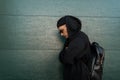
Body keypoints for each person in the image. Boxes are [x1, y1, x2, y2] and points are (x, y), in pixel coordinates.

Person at [57, 15, 92, 80]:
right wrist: (65, 52)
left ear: (69, 26)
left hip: (79, 76)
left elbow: (66, 59)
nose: (61, 34)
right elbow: (64, 56)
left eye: (62, 30)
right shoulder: (75, 37)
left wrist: (65, 52)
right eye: (60, 32)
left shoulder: (78, 40)